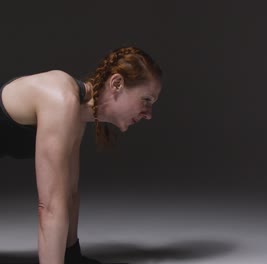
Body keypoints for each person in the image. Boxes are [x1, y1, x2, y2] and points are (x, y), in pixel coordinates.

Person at [0, 46, 162, 264]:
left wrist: (71, 256)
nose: (149, 114)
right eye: (146, 100)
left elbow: (70, 193)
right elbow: (49, 207)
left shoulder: (76, 112)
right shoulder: (61, 98)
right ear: (116, 84)